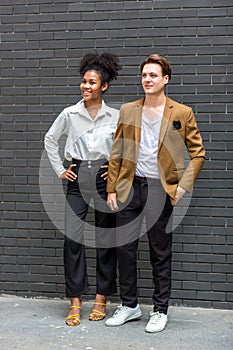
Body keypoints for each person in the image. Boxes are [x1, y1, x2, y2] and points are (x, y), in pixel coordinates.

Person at [105, 54, 205, 332]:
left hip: (161, 190)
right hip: (130, 187)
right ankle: (130, 305)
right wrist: (112, 186)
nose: (147, 80)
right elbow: (117, 151)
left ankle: (160, 310)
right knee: (124, 249)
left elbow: (198, 154)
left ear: (165, 80)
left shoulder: (181, 112)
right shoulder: (128, 110)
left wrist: (183, 186)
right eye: (144, 75)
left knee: (159, 252)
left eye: (153, 75)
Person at [44, 52, 121, 326]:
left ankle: (102, 297)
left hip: (103, 178)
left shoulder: (115, 115)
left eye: (92, 82)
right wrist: (60, 170)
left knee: (104, 239)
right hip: (77, 177)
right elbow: (50, 140)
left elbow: (125, 147)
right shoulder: (70, 113)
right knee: (72, 239)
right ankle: (75, 300)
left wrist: (114, 168)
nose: (86, 86)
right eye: (84, 82)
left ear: (104, 86)